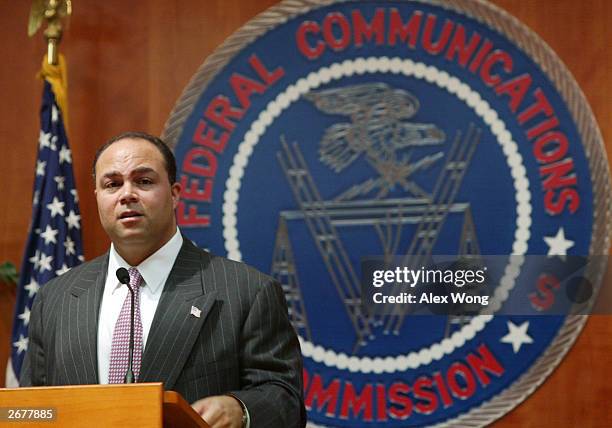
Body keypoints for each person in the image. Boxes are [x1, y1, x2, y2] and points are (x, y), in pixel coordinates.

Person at [20, 131, 306, 428]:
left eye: (144, 181)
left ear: (174, 194)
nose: (126, 194)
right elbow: (31, 410)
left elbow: (285, 401)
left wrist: (241, 409)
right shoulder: (54, 299)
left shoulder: (247, 291)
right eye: (112, 184)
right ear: (97, 197)